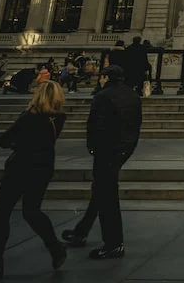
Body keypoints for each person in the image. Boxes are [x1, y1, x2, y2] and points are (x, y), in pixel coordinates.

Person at [0, 81, 68, 281]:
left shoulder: (29, 117)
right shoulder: (59, 118)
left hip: (20, 169)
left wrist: (18, 143)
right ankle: (55, 247)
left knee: (1, 215)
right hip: (43, 168)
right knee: (32, 211)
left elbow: (3, 140)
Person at [61, 65, 142, 260]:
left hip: (107, 150)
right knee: (101, 189)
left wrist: (92, 147)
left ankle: (114, 244)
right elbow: (137, 123)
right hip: (124, 148)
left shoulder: (103, 96)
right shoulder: (132, 95)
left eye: (101, 77)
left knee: (107, 197)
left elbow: (95, 124)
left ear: (106, 77)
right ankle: (81, 231)